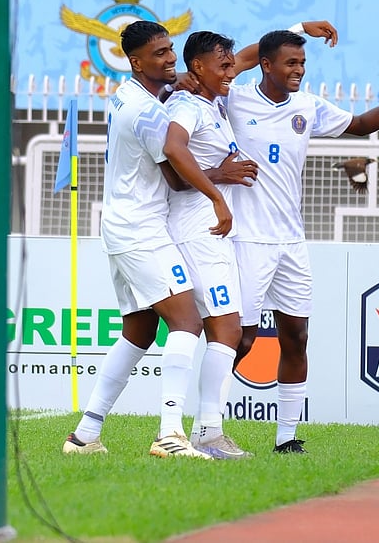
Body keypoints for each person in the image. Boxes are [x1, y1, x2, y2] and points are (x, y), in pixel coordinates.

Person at [227, 26, 379, 453]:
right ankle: (206, 426)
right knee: (241, 339)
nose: (299, 70)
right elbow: (239, 60)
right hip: (247, 239)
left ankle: (286, 438)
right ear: (267, 65)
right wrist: (299, 27)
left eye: (302, 62)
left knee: (296, 336)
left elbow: (358, 126)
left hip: (292, 242)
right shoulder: (236, 97)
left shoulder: (307, 106)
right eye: (291, 62)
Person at [62, 20, 232, 459]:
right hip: (142, 229)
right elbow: (176, 176)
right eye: (159, 54)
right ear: (136, 61)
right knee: (187, 322)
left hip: (120, 225)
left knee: (139, 330)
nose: (170, 58)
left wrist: (174, 87)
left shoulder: (129, 95)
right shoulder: (149, 112)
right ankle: (170, 435)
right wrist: (218, 191)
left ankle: (84, 434)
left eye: (171, 50)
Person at [162, 31, 260, 459]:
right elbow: (172, 153)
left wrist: (298, 29)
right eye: (222, 67)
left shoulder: (211, 99)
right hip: (197, 228)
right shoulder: (184, 104)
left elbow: (254, 56)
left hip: (213, 231)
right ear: (197, 67)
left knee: (227, 330)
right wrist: (220, 180)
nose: (231, 72)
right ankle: (205, 432)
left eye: (230, 65)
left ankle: (206, 430)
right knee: (225, 328)